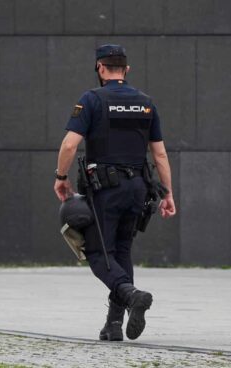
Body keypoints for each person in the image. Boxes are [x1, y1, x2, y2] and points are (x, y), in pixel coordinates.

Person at [53, 44, 176, 341]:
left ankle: (131, 295)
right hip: (139, 189)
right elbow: (159, 155)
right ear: (127, 70)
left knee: (98, 252)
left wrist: (60, 176)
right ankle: (114, 324)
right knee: (122, 251)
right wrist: (168, 193)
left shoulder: (92, 99)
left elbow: (70, 144)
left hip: (106, 189)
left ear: (100, 68)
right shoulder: (146, 103)